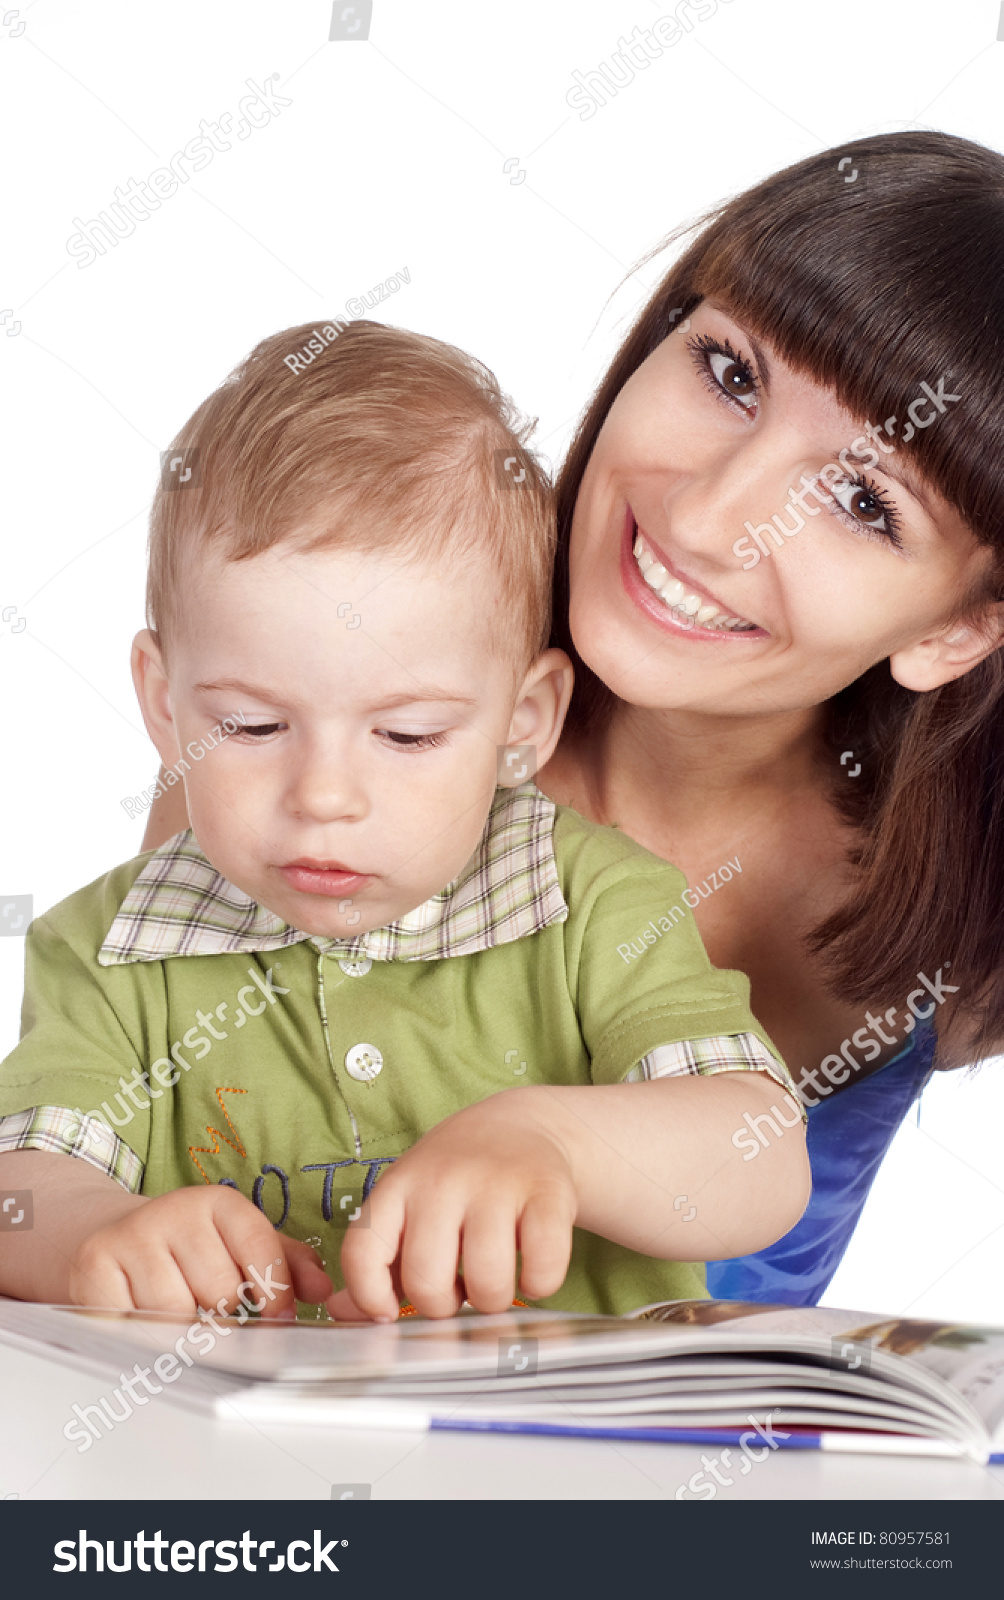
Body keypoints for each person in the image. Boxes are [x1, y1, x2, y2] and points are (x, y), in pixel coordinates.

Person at [0, 320, 808, 1323]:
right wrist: (89, 1233)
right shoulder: (107, 953)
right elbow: (17, 1192)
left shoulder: (596, 905)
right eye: (251, 724)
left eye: (410, 735)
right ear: (165, 705)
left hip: (556, 1460)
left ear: (522, 723)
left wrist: (553, 1142)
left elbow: (759, 1155)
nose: (324, 795)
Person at [540, 129, 1004, 1304]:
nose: (708, 516)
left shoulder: (960, 925)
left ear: (951, 629)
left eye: (860, 499)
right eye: (729, 373)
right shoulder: (335, 727)